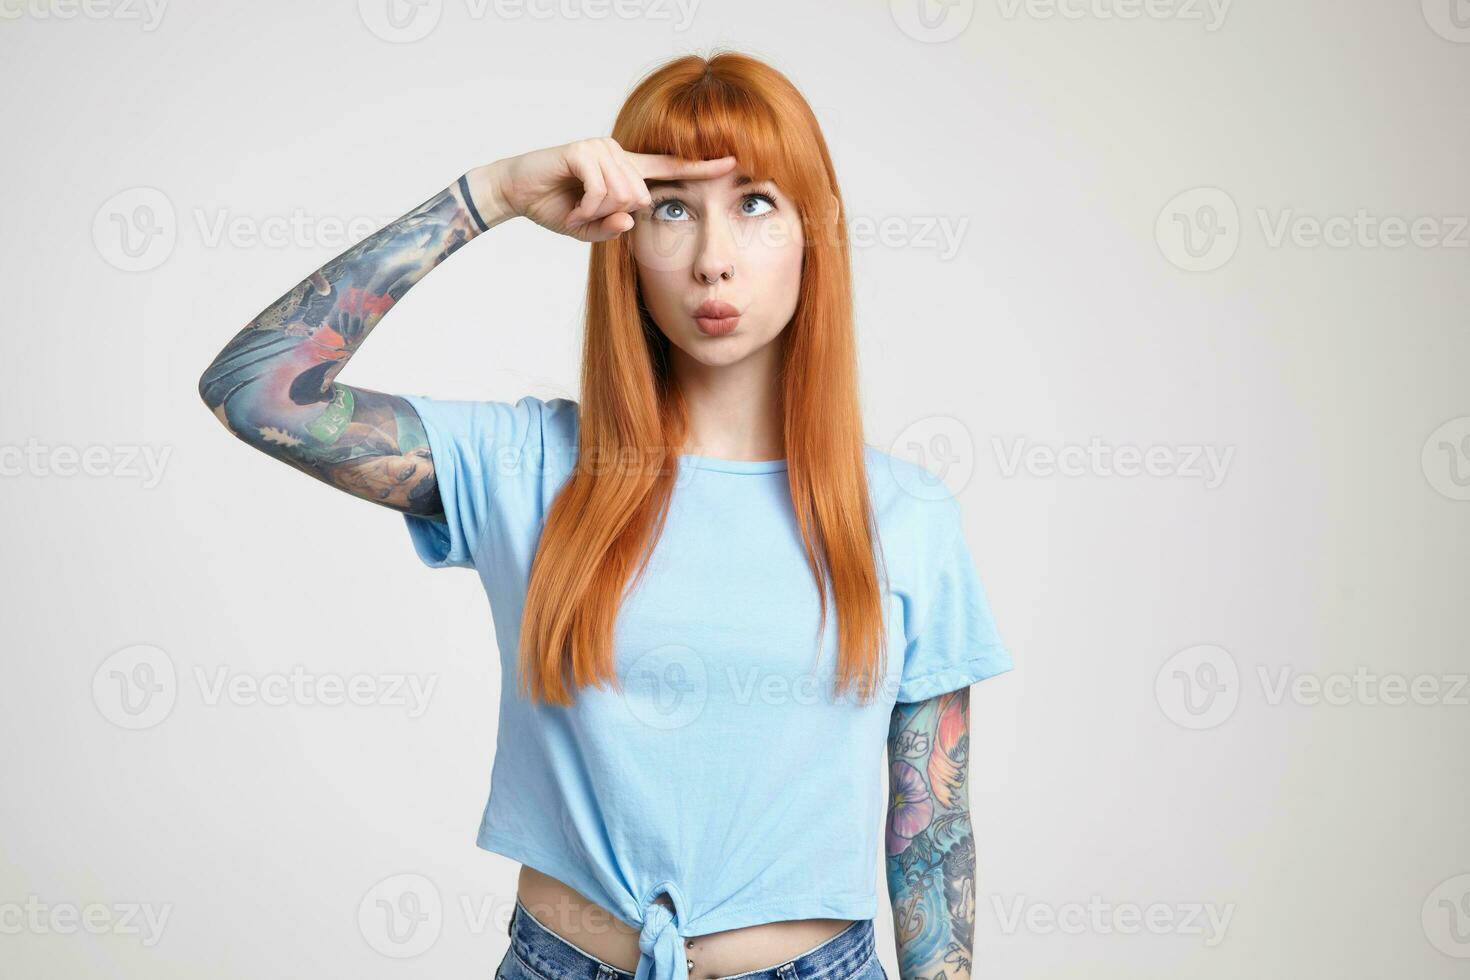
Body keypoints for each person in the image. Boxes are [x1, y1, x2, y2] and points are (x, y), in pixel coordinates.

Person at [199, 50, 1013, 980]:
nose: (713, 260)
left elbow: (930, 831)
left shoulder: (903, 515)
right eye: (673, 208)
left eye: (755, 204)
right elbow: (257, 390)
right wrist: (491, 193)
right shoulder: (524, 467)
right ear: (621, 235)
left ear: (811, 236)